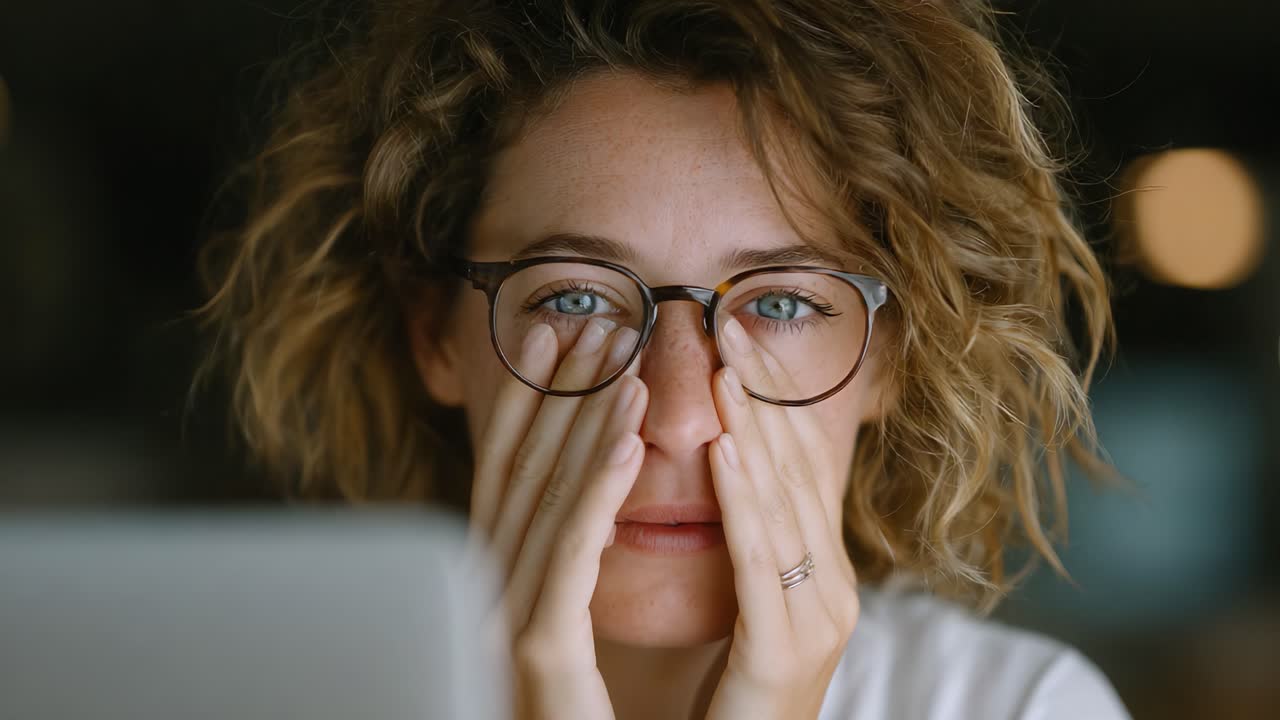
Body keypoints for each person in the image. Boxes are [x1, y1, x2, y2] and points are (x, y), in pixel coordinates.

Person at [197, 1, 1131, 717]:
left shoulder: (1016, 708)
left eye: (781, 303)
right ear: (437, 333)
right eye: (576, 298)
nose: (678, 413)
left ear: (891, 357)